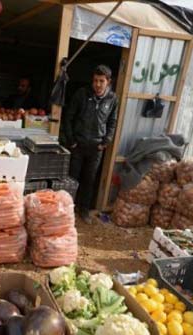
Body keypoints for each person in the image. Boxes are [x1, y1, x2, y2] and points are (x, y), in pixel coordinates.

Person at [63, 65, 118, 224]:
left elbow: (112, 122)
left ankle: (84, 210)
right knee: (73, 179)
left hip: (96, 148)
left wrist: (106, 141)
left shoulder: (112, 99)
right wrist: (71, 141)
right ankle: (69, 209)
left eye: (101, 81)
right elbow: (69, 117)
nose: (98, 84)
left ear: (108, 82)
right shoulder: (82, 94)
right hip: (78, 145)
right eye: (95, 80)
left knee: (89, 180)